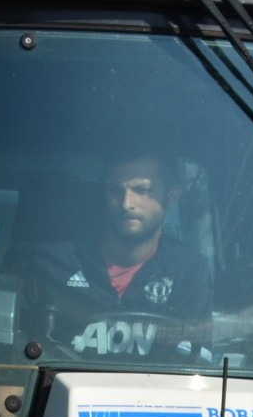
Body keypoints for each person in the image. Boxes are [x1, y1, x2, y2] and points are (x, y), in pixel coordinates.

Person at [28, 152, 212, 360]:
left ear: (172, 196)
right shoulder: (52, 263)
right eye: (116, 191)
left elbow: (195, 369)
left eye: (142, 190)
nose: (126, 203)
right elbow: (14, 364)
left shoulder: (188, 270)